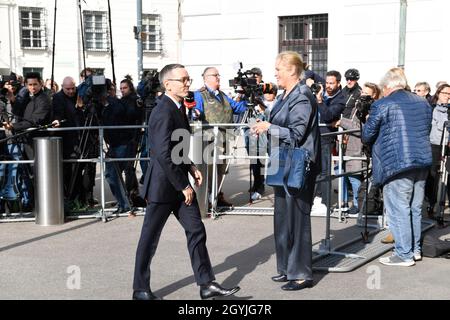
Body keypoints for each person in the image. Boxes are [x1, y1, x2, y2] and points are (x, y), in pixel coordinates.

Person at [132, 63, 240, 300]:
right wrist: (183, 184)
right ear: (168, 84)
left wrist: (190, 165)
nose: (187, 83)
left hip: (180, 185)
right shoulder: (162, 110)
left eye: (188, 79)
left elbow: (176, 146)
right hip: (163, 186)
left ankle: (206, 284)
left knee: (196, 230)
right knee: (150, 238)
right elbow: (161, 152)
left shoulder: (178, 107)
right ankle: (140, 289)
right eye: (183, 80)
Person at [251, 51, 320, 290]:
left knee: (297, 219)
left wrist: (269, 126)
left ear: (292, 70)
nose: (275, 74)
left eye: (278, 70)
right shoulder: (284, 95)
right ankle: (286, 268)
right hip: (282, 160)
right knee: (282, 219)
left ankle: (301, 274)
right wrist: (266, 123)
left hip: (298, 162)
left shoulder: (301, 95)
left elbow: (297, 134)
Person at [362, 67, 432, 266]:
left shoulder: (383, 104)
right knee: (415, 208)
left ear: (387, 86)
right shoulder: (422, 101)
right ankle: (415, 250)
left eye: (383, 88)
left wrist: (367, 121)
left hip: (396, 162)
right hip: (421, 159)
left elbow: (367, 135)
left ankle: (403, 254)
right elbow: (424, 128)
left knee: (399, 208)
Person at [193, 67, 247, 208]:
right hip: (208, 139)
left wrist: (244, 95)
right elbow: (195, 112)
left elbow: (238, 108)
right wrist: (196, 112)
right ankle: (208, 199)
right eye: (214, 75)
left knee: (221, 168)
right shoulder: (199, 94)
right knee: (210, 169)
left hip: (225, 137)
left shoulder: (222, 95)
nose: (218, 77)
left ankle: (217, 194)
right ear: (205, 78)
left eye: (218, 74)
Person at [335, 82, 381, 216]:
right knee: (350, 176)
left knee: (355, 177)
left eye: (367, 93)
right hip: (352, 145)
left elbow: (359, 127)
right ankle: (357, 203)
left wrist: (342, 122)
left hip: (360, 147)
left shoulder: (372, 108)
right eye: (362, 92)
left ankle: (358, 204)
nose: (363, 95)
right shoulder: (358, 106)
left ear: (374, 95)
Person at [425, 83, 450, 218]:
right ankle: (431, 204)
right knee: (433, 175)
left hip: (448, 145)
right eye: (445, 93)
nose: (448, 96)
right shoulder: (432, 108)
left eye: (449, 94)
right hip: (435, 144)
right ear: (438, 94)